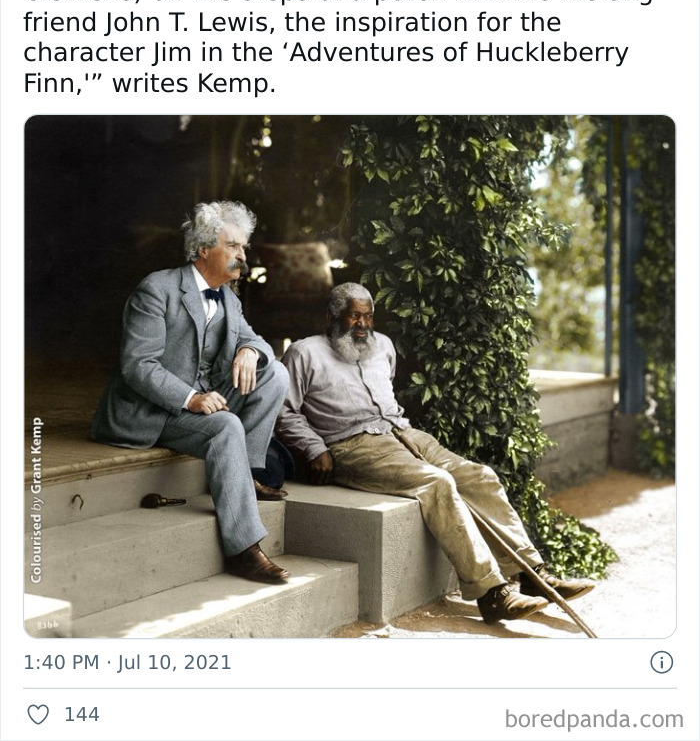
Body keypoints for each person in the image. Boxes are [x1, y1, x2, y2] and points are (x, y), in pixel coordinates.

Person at [275, 282, 595, 623]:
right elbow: (283, 410)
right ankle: (491, 594)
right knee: (436, 482)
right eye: (355, 317)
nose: (363, 325)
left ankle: (533, 575)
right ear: (332, 316)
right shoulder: (304, 353)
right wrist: (314, 447)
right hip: (353, 445)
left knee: (480, 476)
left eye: (368, 317)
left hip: (404, 433)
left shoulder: (382, 346)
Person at [92, 201, 290, 584]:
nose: (242, 255)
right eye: (233, 246)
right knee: (225, 426)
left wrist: (249, 351)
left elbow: (257, 341)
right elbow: (138, 365)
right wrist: (191, 398)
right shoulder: (157, 289)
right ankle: (243, 550)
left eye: (244, 247)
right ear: (202, 249)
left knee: (274, 373)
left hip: (199, 400)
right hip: (151, 410)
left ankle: (246, 475)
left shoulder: (228, 298)